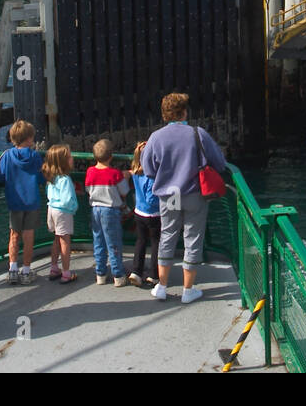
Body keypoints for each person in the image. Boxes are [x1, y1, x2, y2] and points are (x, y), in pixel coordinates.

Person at [141, 92, 227, 304]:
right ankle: (188, 290)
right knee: (193, 238)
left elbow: (148, 169)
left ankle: (161, 286)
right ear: (184, 112)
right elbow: (220, 163)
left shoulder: (156, 137)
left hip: (169, 195)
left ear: (165, 114)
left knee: (167, 236)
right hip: (194, 194)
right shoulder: (197, 134)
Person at [0, 119, 44, 285]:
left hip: (14, 201)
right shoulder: (35, 157)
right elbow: (41, 177)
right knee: (29, 235)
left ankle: (12, 269)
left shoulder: (7, 157)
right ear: (29, 139)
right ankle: (26, 270)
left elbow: (0, 176)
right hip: (31, 201)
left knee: (14, 235)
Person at [85, 139, 130, 287]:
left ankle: (101, 274)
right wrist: (126, 177)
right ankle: (118, 274)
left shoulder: (90, 172)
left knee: (99, 242)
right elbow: (124, 192)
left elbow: (87, 190)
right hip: (110, 210)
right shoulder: (115, 174)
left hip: (95, 209)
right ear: (111, 156)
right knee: (114, 243)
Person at [42, 144, 78, 283]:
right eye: (69, 157)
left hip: (51, 209)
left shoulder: (51, 178)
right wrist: (74, 207)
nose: (72, 158)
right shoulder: (65, 180)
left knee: (56, 239)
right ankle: (66, 273)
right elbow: (67, 200)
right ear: (63, 162)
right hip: (63, 212)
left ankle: (54, 267)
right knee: (65, 242)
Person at [127, 141, 160, 287]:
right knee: (155, 244)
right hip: (153, 214)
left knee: (140, 241)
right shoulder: (151, 176)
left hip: (138, 212)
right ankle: (154, 275)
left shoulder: (135, 171)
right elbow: (151, 199)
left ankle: (136, 271)